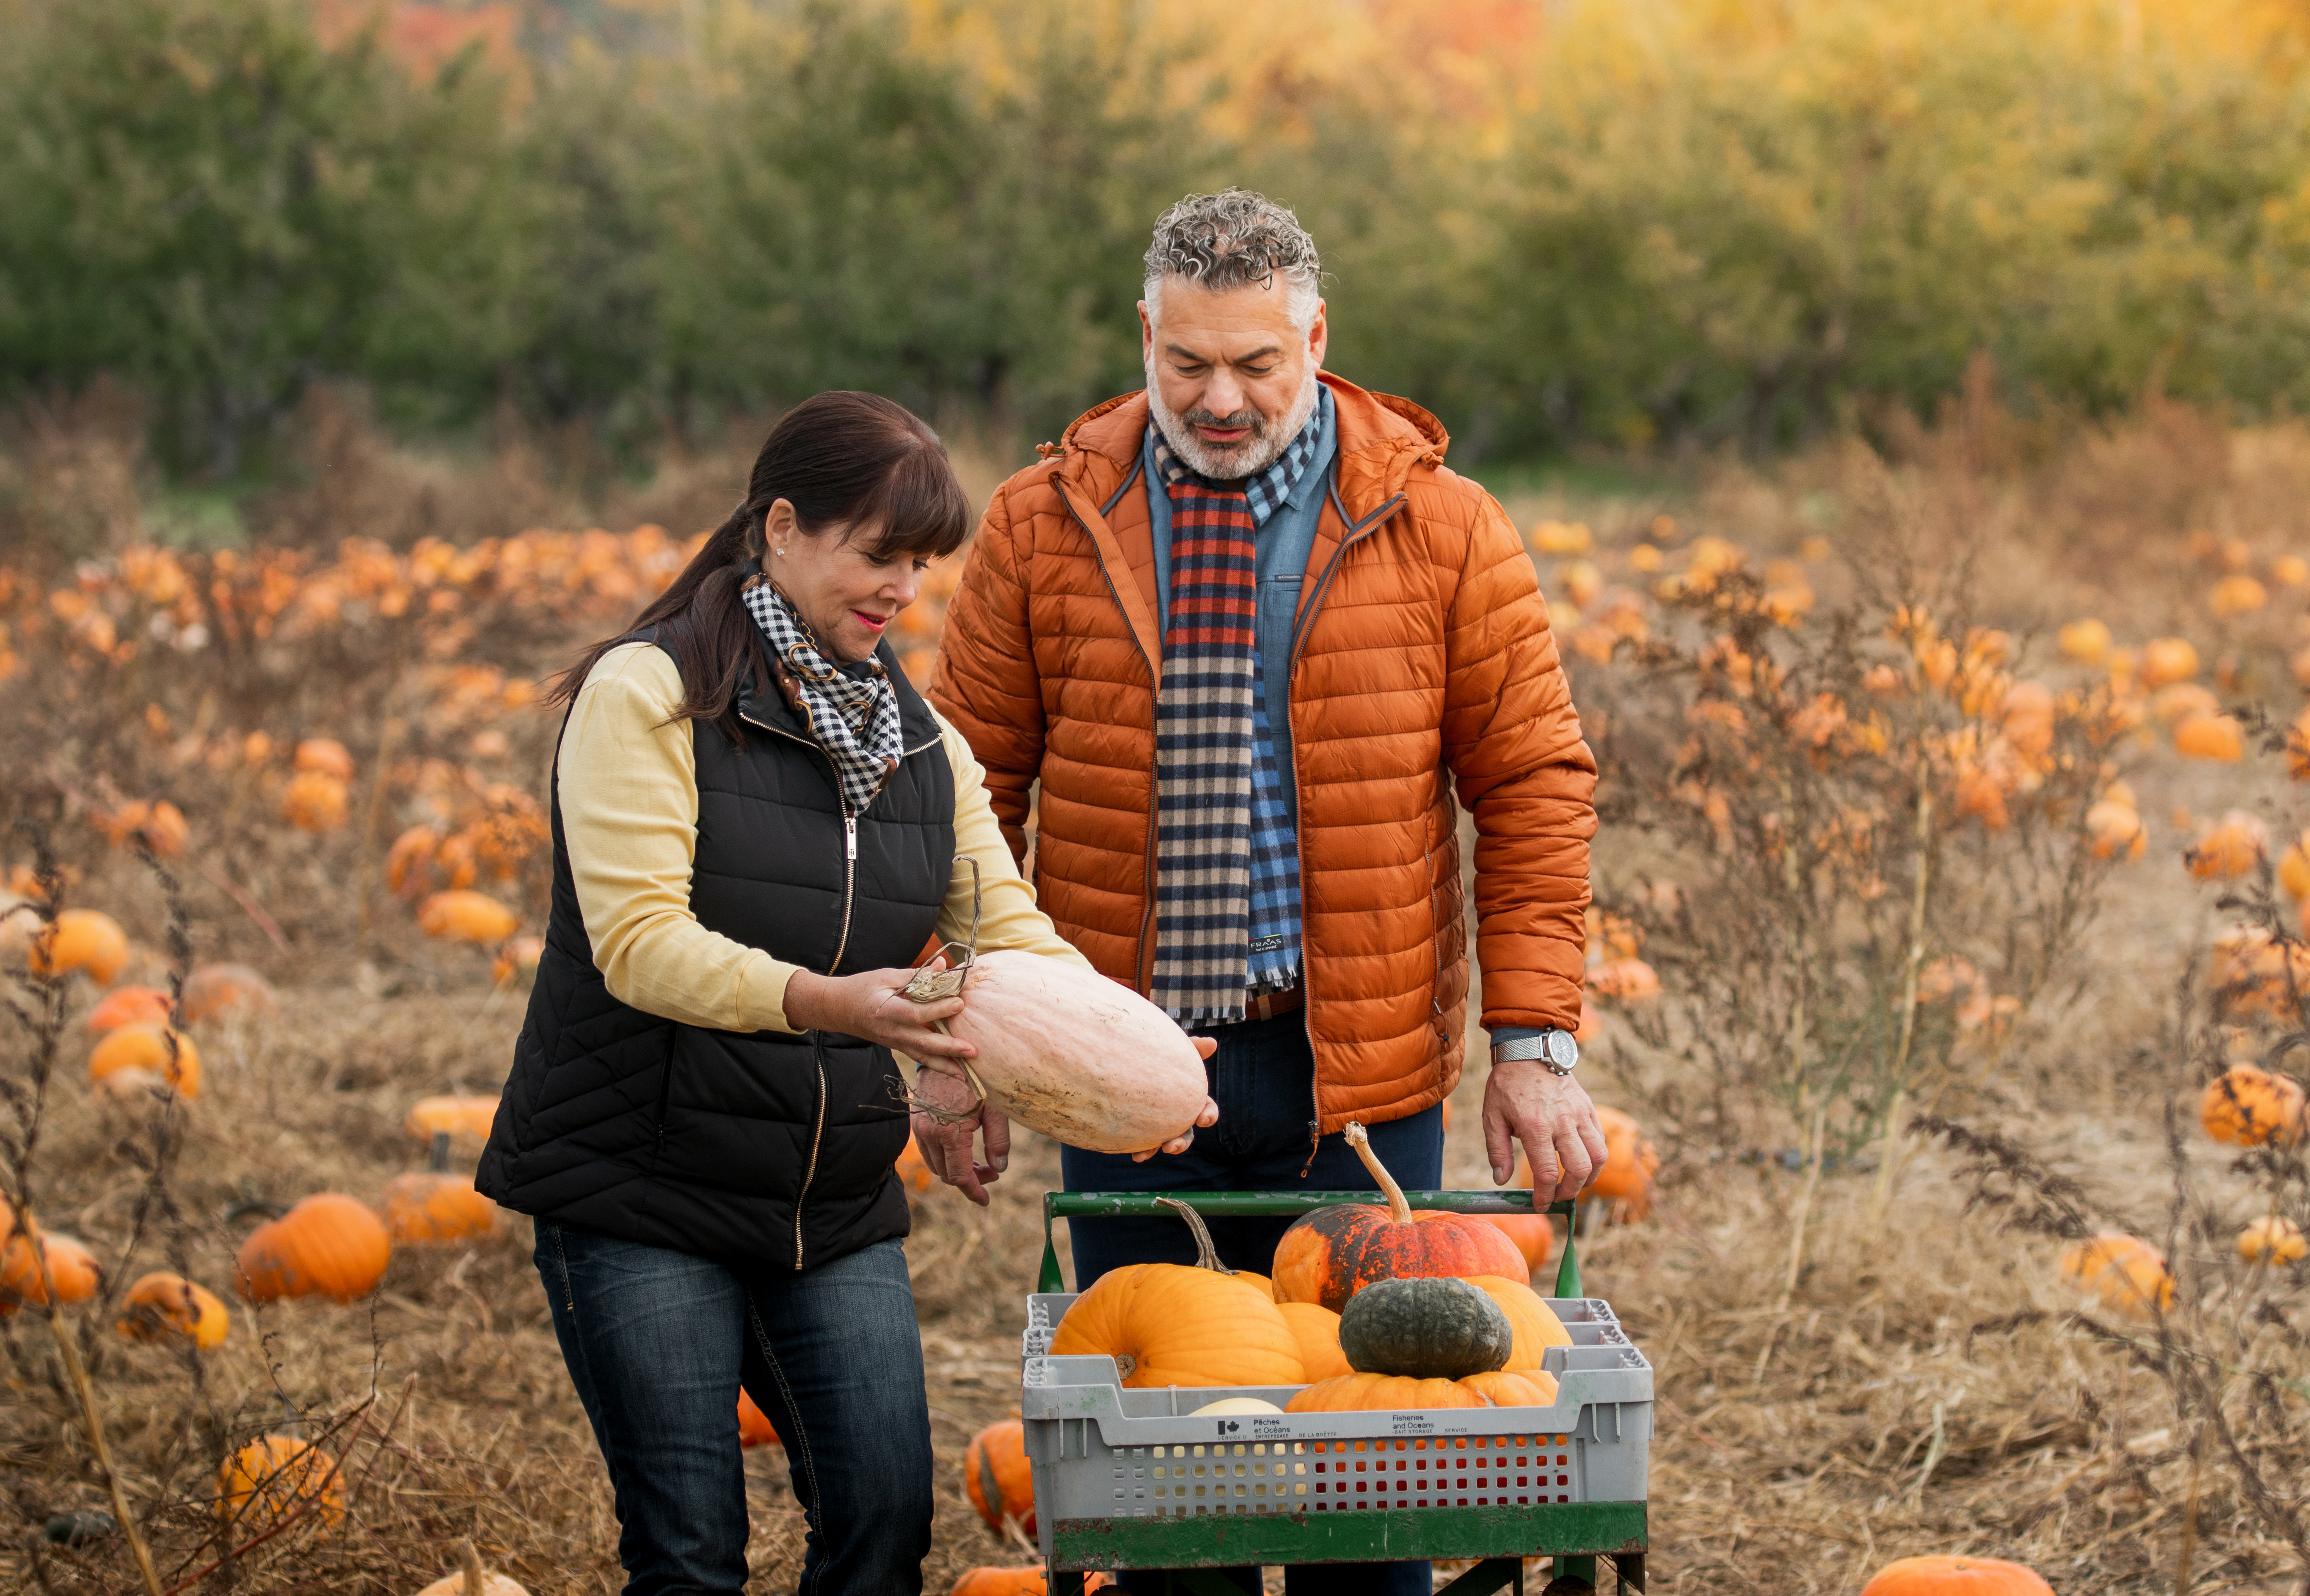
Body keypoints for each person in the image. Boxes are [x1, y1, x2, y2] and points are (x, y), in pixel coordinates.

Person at [928, 190, 1605, 1596]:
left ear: (1316, 336)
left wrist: (1534, 1046)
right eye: (1189, 365)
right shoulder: (1044, 523)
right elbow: (964, 792)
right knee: (1164, 1500)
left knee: (1372, 1482)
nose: (1221, 399)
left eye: (1258, 365)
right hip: (1115, 1070)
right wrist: (960, 1038)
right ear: (1144, 336)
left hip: (1351, 1076)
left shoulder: (1440, 526)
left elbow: (1534, 780)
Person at [476, 391, 1210, 1596]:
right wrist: (841, 1004)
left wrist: (1134, 1056)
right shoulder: (648, 695)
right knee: (691, 1552)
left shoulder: (923, 743)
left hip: (826, 1195)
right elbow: (641, 944)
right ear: (780, 527)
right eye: (878, 554)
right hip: (639, 1184)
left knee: (881, 1523)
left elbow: (1007, 932)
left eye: (921, 563)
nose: (903, 589)